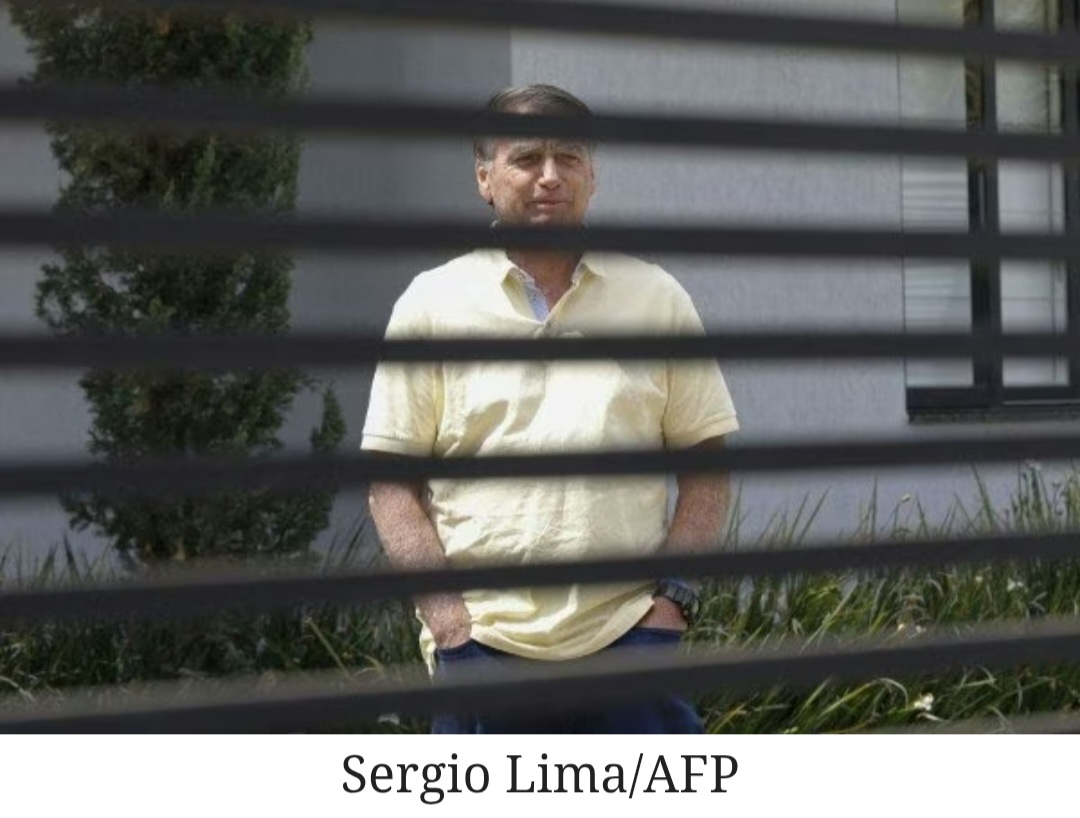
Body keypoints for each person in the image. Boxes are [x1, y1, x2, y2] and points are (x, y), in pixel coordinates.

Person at [361, 84, 738, 733]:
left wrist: (671, 605)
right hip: (483, 654)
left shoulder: (658, 300)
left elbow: (707, 465)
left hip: (629, 650)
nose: (550, 177)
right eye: (526, 158)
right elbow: (390, 484)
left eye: (568, 157)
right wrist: (450, 627)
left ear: (593, 174)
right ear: (484, 178)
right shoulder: (431, 305)